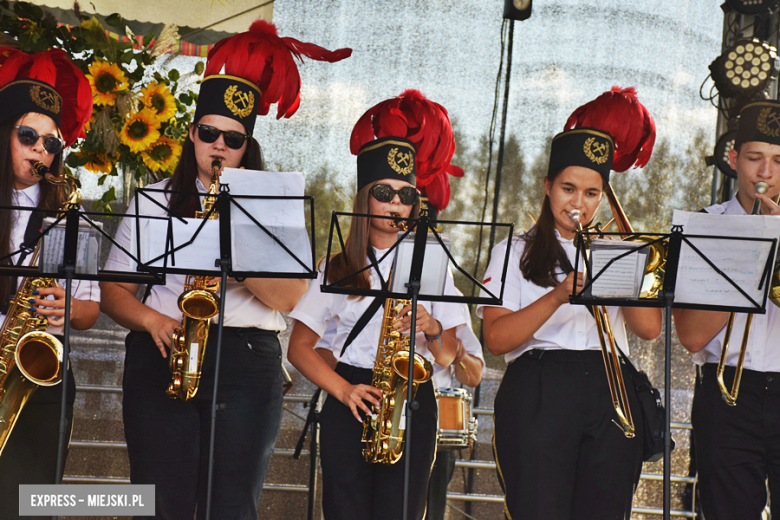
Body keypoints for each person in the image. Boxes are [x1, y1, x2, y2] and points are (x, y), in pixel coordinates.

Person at [99, 20, 350, 520]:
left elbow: (290, 297)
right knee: (158, 503)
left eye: (232, 139)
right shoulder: (151, 201)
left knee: (233, 506)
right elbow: (113, 293)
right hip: (163, 349)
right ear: (192, 134)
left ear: (246, 146)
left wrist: (235, 259)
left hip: (247, 361)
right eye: (209, 133)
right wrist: (152, 320)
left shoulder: (272, 207)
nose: (219, 147)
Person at [478, 87, 662, 520]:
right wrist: (560, 295)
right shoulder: (514, 250)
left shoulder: (617, 247)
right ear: (547, 186)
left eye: (591, 193)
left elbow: (649, 330)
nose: (578, 203)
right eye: (568, 188)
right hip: (540, 386)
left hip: (610, 386)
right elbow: (496, 338)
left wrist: (631, 263)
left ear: (603, 196)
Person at [288, 90, 468, 520]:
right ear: (365, 197)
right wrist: (343, 389)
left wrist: (432, 328)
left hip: (415, 399)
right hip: (351, 393)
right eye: (385, 193)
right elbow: (298, 349)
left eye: (408, 196)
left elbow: (447, 355)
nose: (396, 204)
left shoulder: (434, 260)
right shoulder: (335, 266)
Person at [0, 48, 98, 519]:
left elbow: (91, 309)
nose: (42, 149)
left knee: (31, 506)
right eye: (27, 136)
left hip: (41, 375)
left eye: (51, 143)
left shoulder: (67, 210)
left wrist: (68, 308)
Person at [672, 100, 780, 520]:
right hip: (727, 393)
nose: (765, 173)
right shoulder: (705, 226)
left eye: (777, 161)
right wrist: (754, 249)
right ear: (734, 160)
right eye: (755, 158)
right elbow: (692, 336)